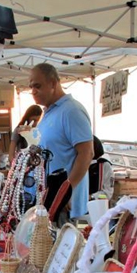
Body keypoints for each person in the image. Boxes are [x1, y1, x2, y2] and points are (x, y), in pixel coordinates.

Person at [29, 63, 94, 222]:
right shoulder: (49, 113)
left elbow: (86, 153)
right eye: (31, 87)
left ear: (53, 83)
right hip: (48, 201)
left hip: (65, 206)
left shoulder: (72, 111)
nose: (33, 91)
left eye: (37, 86)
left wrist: (66, 192)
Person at [88, 136, 114, 201]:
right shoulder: (76, 164)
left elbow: (107, 194)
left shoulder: (104, 166)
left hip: (95, 204)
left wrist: (92, 197)